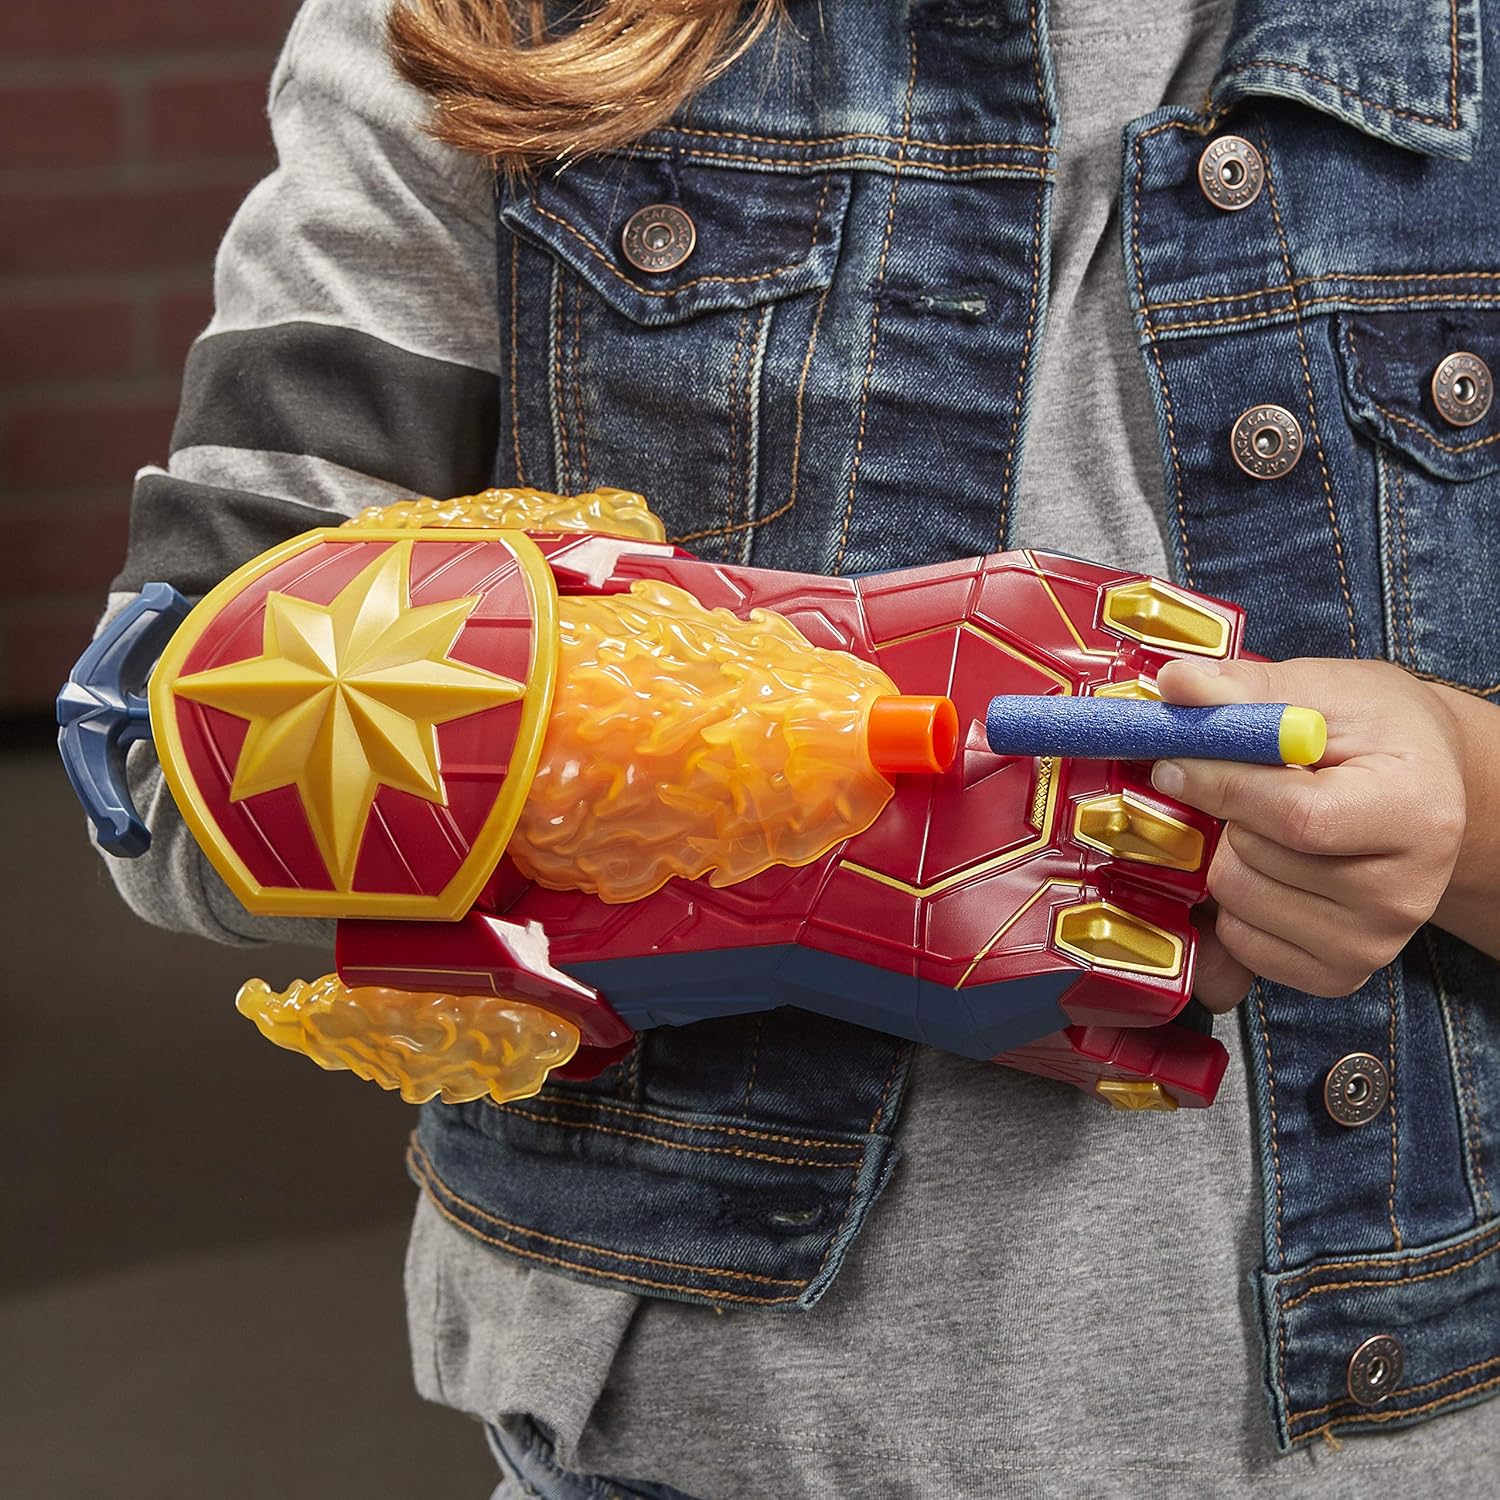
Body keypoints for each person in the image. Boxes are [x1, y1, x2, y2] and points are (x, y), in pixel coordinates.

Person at [100, 0, 1500, 1494]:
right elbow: (164, 746)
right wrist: (775, 813)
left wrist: (1466, 805)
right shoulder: (489, 27)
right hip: (706, 1455)